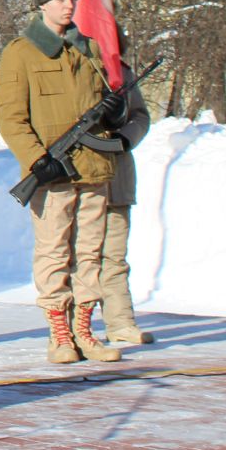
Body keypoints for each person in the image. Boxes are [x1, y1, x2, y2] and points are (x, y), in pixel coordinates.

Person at [0, 0, 128, 364]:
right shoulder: (21, 52)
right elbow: (10, 116)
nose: (68, 5)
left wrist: (114, 111)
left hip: (93, 168)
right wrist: (38, 160)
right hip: (52, 171)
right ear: (41, 4)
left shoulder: (86, 49)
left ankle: (85, 330)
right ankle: (59, 333)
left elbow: (101, 102)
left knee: (89, 253)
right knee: (54, 252)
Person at [98, 47, 154, 345]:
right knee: (74, 259)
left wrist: (123, 138)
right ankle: (69, 327)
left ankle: (120, 322)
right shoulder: (68, 67)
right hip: (78, 180)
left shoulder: (120, 72)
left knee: (115, 258)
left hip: (116, 178)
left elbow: (140, 116)